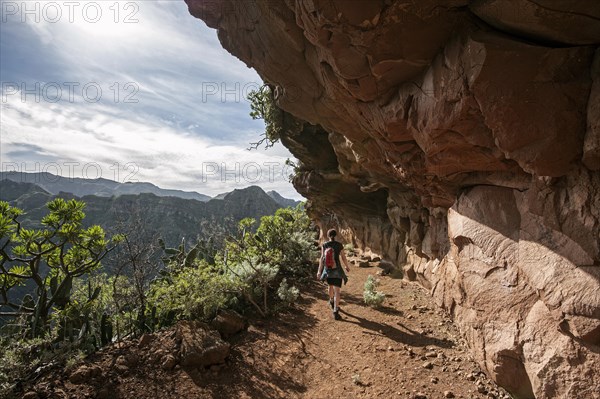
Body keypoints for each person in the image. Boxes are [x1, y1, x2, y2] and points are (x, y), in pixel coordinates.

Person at [316, 229, 350, 320]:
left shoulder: (324, 245)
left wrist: (319, 271)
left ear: (328, 235)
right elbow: (343, 257)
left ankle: (331, 300)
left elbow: (322, 259)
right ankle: (335, 310)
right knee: (337, 291)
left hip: (328, 270)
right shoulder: (339, 245)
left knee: (330, 286)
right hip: (337, 270)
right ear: (336, 235)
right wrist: (347, 266)